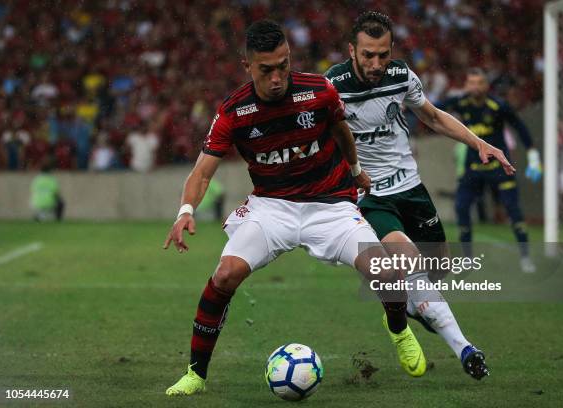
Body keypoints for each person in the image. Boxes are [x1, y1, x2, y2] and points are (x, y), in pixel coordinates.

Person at [163, 20, 426, 397]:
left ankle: (398, 328)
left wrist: (355, 170)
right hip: (272, 208)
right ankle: (195, 374)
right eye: (266, 69)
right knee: (224, 276)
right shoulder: (234, 111)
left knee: (385, 273)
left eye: (283, 65)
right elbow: (202, 172)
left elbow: (341, 132)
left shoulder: (318, 91)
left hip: (330, 205)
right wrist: (185, 209)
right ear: (247, 67)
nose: (277, 77)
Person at [325, 11, 516, 380]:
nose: (376, 63)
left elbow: (431, 115)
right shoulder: (332, 87)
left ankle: (410, 308)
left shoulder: (400, 76)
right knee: (409, 262)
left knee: (437, 269)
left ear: (391, 49)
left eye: (383, 54)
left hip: (411, 188)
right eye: (368, 55)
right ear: (352, 50)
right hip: (370, 195)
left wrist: (478, 142)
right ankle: (465, 349)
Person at [440, 68, 542, 273]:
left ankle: (525, 258)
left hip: (499, 167)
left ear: (486, 86)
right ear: (466, 85)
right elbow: (433, 109)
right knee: (461, 208)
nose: (475, 87)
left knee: (513, 210)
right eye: (471, 83)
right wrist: (408, 103)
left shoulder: (499, 106)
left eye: (479, 83)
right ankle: (467, 258)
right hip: (472, 167)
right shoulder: (461, 103)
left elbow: (520, 128)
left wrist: (533, 156)